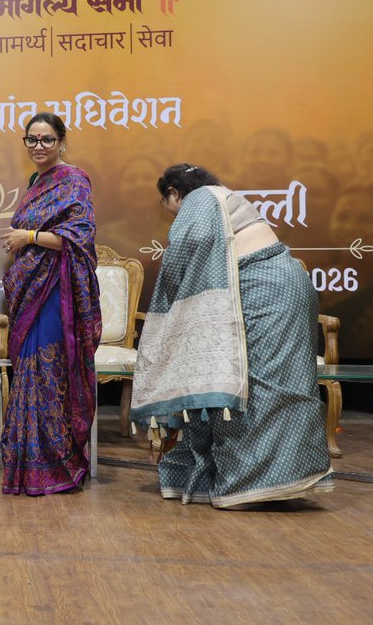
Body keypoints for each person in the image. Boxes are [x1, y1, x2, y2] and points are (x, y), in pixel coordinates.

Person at [131, 163, 334, 508]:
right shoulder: (226, 197)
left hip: (261, 291)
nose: (167, 212)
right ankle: (290, 477)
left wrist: (171, 296)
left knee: (251, 388)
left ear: (174, 192)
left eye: (164, 203)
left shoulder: (200, 199)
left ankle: (249, 484)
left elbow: (186, 246)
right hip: (289, 286)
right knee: (284, 388)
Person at [0, 112, 102, 495]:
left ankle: (59, 464)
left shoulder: (74, 179)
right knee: (28, 371)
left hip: (57, 292)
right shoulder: (35, 182)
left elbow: (77, 239)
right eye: (32, 140)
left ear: (61, 141)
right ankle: (27, 464)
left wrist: (27, 235)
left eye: (46, 139)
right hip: (29, 293)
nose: (38, 146)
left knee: (49, 371)